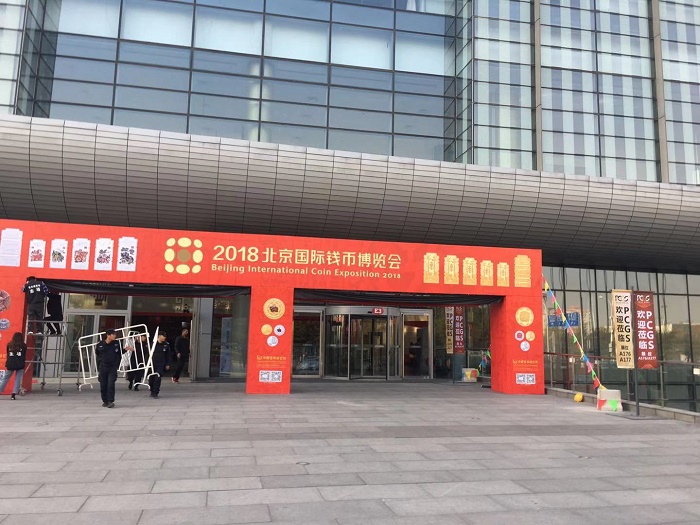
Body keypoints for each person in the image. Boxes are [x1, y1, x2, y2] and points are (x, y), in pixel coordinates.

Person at [95, 329, 132, 408]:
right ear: (108, 335)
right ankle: (105, 400)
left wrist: (126, 349)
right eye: (113, 334)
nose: (115, 336)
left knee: (111, 384)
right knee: (103, 385)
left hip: (112, 367)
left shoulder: (116, 343)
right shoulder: (100, 344)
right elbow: (97, 354)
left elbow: (120, 352)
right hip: (103, 367)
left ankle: (110, 401)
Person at [0, 333, 26, 400]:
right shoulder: (23, 345)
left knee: (5, 379)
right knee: (17, 379)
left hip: (10, 363)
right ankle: (13, 394)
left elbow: (8, 354)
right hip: (20, 364)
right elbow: (24, 355)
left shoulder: (9, 345)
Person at [149, 331, 170, 399]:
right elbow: (147, 354)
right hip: (152, 364)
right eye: (163, 336)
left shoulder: (166, 345)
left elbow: (168, 355)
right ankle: (152, 390)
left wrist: (168, 364)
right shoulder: (152, 344)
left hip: (161, 364)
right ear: (159, 336)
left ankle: (156, 392)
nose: (164, 338)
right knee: (151, 378)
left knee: (157, 378)